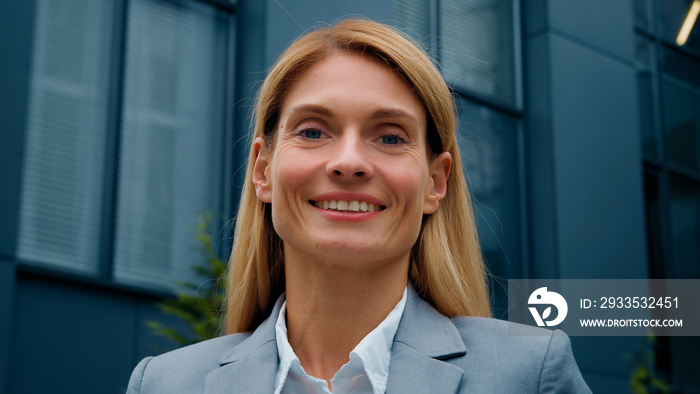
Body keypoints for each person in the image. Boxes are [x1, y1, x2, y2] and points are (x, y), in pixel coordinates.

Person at [127, 18, 591, 393]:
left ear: (436, 182)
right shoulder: (165, 384)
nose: (348, 162)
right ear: (263, 170)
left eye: (390, 137)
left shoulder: (530, 374)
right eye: (312, 131)